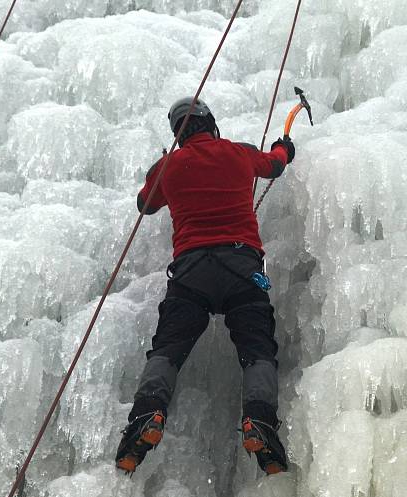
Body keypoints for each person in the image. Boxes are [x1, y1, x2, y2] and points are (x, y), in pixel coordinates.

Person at [115, 97, 295, 476]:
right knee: (257, 349)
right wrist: (285, 145)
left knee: (167, 349)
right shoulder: (238, 153)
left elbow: (144, 204)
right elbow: (275, 163)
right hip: (241, 270)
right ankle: (259, 420)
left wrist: (162, 167)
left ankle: (147, 414)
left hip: (191, 274)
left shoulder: (170, 166)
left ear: (179, 134)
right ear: (210, 123)